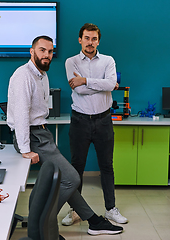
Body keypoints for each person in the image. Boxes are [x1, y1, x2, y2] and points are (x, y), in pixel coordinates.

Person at [7, 35, 123, 236]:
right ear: (32, 51)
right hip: (34, 137)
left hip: (42, 134)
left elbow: (110, 84)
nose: (47, 55)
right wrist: (26, 149)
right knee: (71, 178)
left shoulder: (41, 74)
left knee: (66, 177)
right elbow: (21, 115)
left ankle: (94, 221)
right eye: (42, 50)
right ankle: (41, 224)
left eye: (50, 51)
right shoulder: (23, 75)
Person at [62, 23, 128, 226]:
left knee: (107, 167)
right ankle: (75, 211)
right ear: (80, 39)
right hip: (80, 121)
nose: (90, 42)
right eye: (87, 38)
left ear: (98, 41)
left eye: (94, 39)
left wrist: (86, 81)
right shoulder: (71, 62)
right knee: (76, 168)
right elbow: (80, 90)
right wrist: (103, 85)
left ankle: (111, 209)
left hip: (103, 120)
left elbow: (111, 84)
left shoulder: (108, 60)